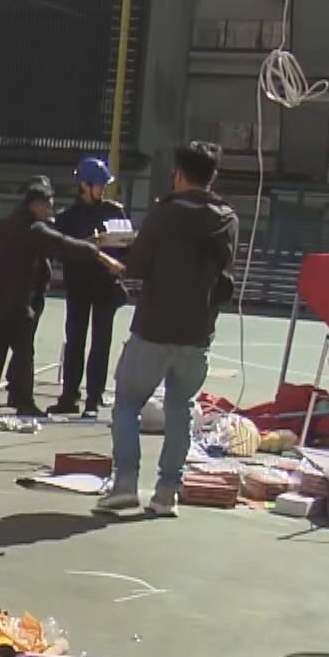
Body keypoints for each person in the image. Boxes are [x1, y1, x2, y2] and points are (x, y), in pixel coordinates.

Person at [97, 142, 238, 517]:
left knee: (127, 403)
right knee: (181, 409)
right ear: (213, 176)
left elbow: (139, 264)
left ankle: (125, 483)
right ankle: (166, 492)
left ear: (178, 174)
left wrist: (120, 264)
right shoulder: (227, 219)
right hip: (197, 331)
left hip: (155, 325)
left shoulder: (165, 213)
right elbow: (225, 277)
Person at [0, 177, 123, 421]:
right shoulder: (35, 230)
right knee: (23, 352)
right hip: (18, 302)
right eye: (47, 206)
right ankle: (22, 400)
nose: (49, 212)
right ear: (35, 205)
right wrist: (103, 256)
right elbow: (65, 244)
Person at [47, 157, 135, 417]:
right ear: (84, 185)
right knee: (75, 341)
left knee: (101, 343)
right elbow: (62, 249)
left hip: (106, 286)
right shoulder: (67, 217)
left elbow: (127, 247)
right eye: (99, 185)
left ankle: (93, 399)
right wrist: (91, 244)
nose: (103, 190)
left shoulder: (114, 211)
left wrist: (119, 258)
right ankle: (69, 396)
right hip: (79, 286)